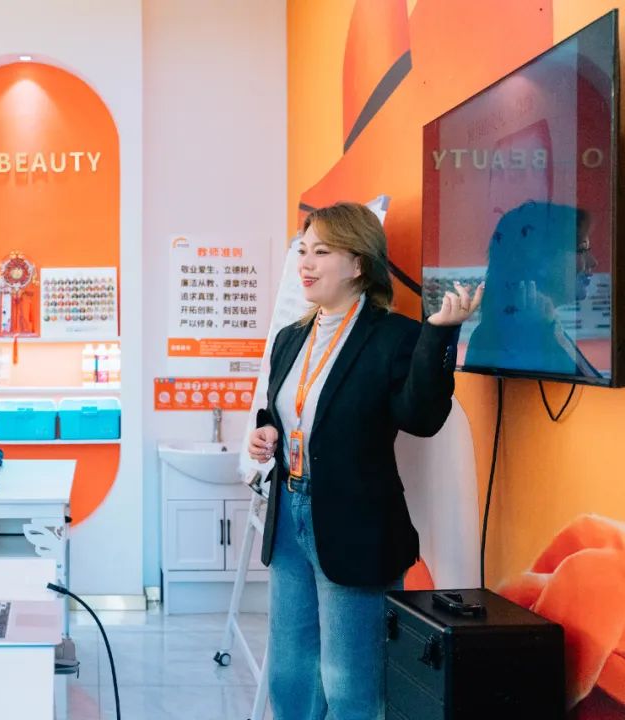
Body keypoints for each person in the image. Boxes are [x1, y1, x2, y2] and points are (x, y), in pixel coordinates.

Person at [247, 202, 482, 719]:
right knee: (290, 675)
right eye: (303, 251)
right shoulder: (290, 338)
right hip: (289, 515)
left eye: (321, 252)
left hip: (355, 523)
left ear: (358, 264)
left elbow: (421, 417)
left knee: (349, 683)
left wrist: (440, 334)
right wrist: (267, 431)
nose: (306, 264)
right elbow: (282, 410)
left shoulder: (393, 336)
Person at [465, 201, 601, 378]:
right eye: (581, 250)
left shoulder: (542, 325)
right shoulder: (519, 339)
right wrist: (541, 332)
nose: (593, 262)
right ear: (539, 259)